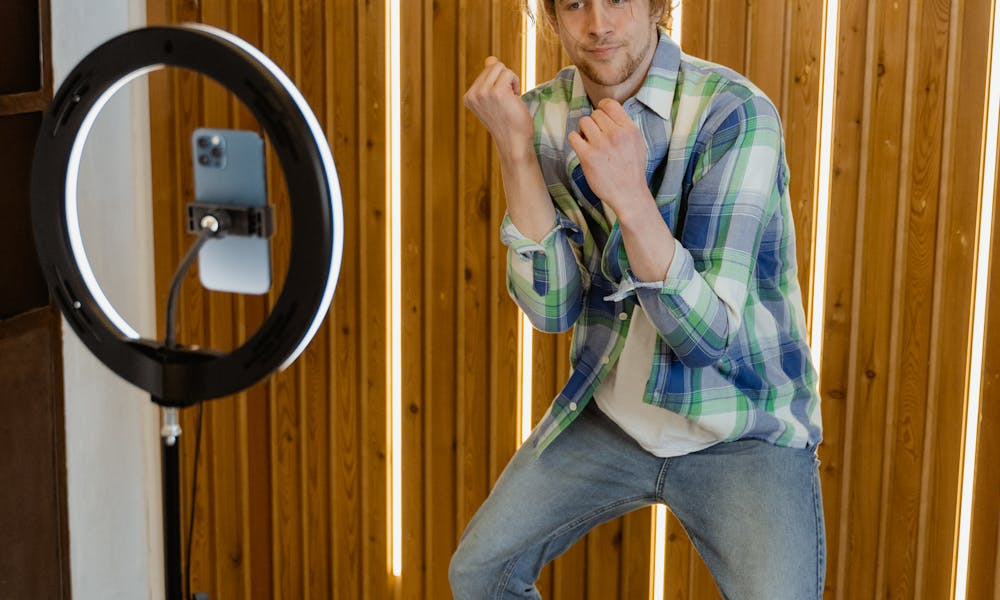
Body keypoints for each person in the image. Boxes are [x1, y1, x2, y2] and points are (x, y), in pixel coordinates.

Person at [451, 0, 825, 598]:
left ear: (658, 6)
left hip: (740, 426)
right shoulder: (543, 117)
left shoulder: (734, 113)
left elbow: (705, 338)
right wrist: (516, 153)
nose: (598, 24)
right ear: (550, 18)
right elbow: (551, 312)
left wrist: (630, 196)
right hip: (612, 417)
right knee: (477, 572)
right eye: (573, 4)